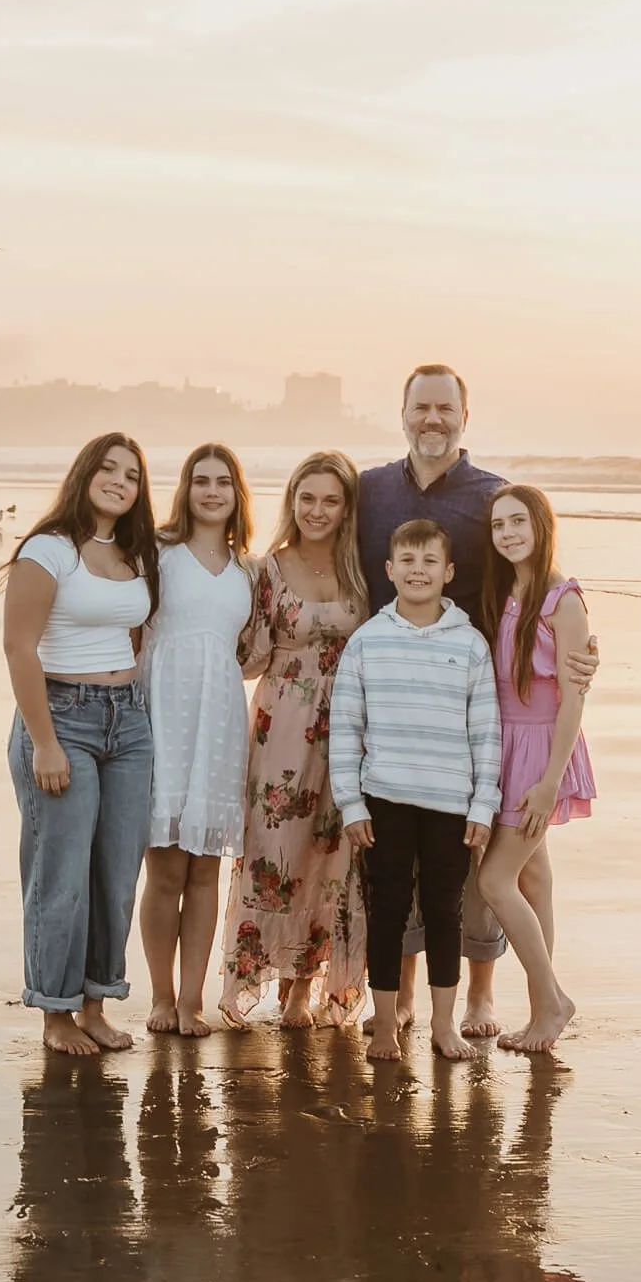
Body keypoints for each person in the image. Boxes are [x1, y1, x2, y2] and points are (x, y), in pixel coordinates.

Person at [357, 365, 599, 1038]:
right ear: (402, 412)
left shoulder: (492, 497)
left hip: (489, 713)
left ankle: (499, 998)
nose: (433, 419)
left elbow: (546, 597)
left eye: (445, 408)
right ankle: (418, 995)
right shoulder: (369, 490)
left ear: (465, 415)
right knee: (414, 853)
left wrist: (579, 648)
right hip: (400, 701)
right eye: (421, 407)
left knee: (490, 868)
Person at [0, 433, 162, 1056]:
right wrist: (44, 742)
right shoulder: (49, 550)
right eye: (109, 469)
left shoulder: (134, 553)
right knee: (60, 875)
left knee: (117, 872)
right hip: (61, 719)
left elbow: (136, 637)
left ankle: (95, 1004)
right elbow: (19, 648)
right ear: (85, 474)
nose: (120, 481)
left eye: (132, 475)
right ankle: (55, 1013)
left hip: (128, 723)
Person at [332, 518, 502, 1063]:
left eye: (430, 562)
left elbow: (487, 732)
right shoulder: (367, 641)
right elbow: (346, 729)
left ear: (449, 572)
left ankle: (444, 1024)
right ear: (389, 570)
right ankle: (385, 1026)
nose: (418, 571)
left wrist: (483, 804)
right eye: (407, 561)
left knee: (444, 911)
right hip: (384, 799)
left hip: (450, 804)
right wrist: (350, 802)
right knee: (388, 911)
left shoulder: (471, 645)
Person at [215, 451, 369, 1029]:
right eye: (307, 498)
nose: (317, 510)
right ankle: (266, 974)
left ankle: (302, 990)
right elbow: (244, 653)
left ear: (347, 507)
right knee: (277, 850)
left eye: (331, 499)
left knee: (336, 855)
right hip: (282, 725)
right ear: (292, 501)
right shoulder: (267, 570)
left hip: (354, 727)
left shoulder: (362, 568)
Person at [137, 443, 255, 1038]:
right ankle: (160, 996)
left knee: (205, 869)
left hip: (220, 723)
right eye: (200, 481)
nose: (212, 492)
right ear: (184, 489)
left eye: (223, 482)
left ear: (238, 494)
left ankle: (192, 1001)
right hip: (163, 713)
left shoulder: (247, 569)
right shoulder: (157, 553)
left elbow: (252, 650)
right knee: (164, 870)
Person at [476, 484, 593, 1052]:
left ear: (542, 525)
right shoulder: (503, 591)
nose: (508, 534)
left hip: (539, 752)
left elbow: (574, 699)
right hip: (503, 744)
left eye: (518, 522)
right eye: (498, 525)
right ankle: (541, 1008)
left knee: (496, 880)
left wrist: (549, 782)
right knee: (535, 877)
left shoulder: (561, 599)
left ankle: (552, 1002)